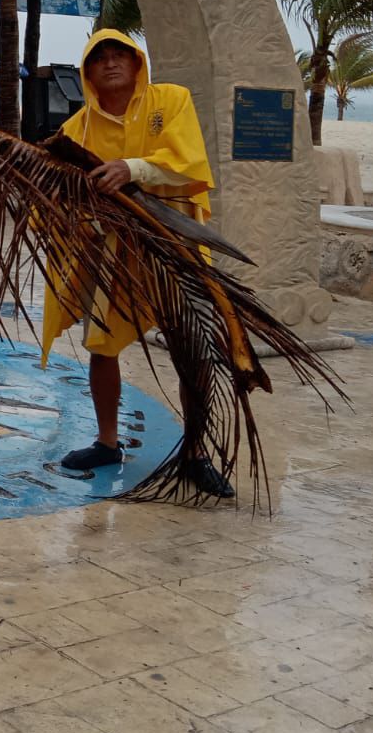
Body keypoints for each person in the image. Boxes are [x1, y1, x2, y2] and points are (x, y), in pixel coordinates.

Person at [41, 29, 234, 498]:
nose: (110, 64)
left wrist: (132, 168)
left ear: (136, 62)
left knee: (192, 346)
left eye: (119, 55)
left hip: (173, 245)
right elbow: (56, 193)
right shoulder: (79, 129)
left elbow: (187, 161)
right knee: (102, 346)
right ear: (87, 73)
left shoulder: (170, 100)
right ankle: (107, 441)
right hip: (115, 252)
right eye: (99, 58)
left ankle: (195, 452)